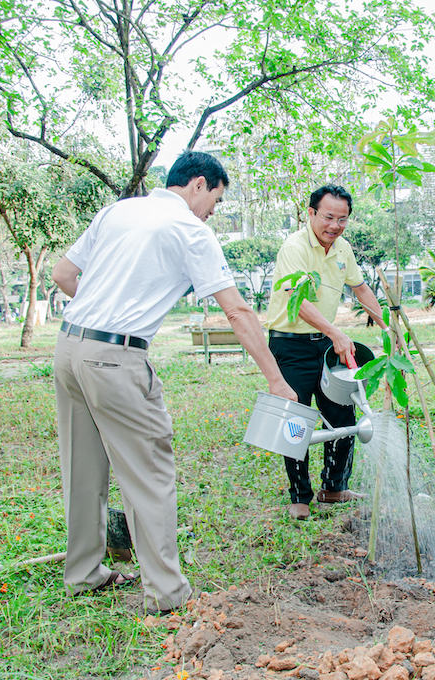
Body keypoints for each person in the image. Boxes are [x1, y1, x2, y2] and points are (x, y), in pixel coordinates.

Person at [51, 151, 296, 614]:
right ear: (199, 185)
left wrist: (101, 316)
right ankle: (166, 593)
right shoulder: (189, 229)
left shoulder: (118, 210)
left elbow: (64, 275)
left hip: (68, 349)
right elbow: (238, 311)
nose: (212, 213)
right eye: (216, 202)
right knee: (150, 472)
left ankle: (83, 573)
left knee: (82, 468)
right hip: (115, 359)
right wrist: (276, 381)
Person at [265, 185, 387, 521]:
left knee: (343, 415)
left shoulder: (342, 249)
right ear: (311, 213)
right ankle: (300, 496)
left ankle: (334, 487)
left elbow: (360, 288)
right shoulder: (294, 247)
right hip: (290, 345)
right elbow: (297, 300)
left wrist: (389, 328)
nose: (334, 225)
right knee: (297, 419)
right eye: (328, 216)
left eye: (342, 218)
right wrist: (336, 332)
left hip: (326, 345)